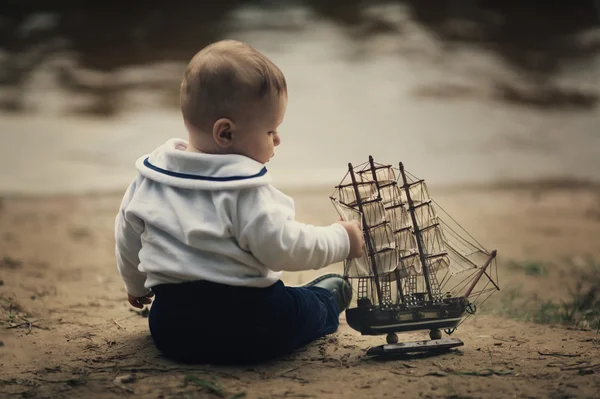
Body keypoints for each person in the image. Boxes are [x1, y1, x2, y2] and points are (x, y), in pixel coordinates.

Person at [114, 40, 364, 364]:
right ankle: (325, 300)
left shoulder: (151, 179)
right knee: (305, 309)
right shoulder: (244, 190)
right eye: (270, 130)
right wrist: (342, 238)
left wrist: (135, 285)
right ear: (226, 134)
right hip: (251, 326)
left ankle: (311, 296)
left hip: (172, 329)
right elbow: (283, 246)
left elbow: (127, 237)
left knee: (279, 303)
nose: (277, 140)